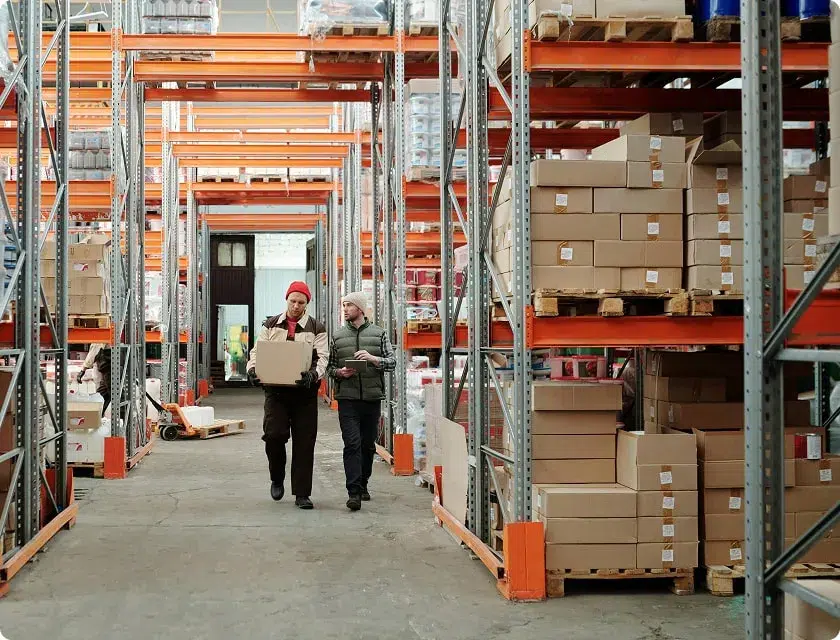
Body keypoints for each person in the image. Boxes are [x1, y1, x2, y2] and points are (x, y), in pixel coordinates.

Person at [246, 282, 328, 510]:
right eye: (293, 301)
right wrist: (252, 370)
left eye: (301, 302)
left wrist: (313, 375)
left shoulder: (316, 327)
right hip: (276, 392)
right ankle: (277, 477)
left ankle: (302, 494)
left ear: (307, 304)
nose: (296, 306)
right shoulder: (271, 324)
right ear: (287, 300)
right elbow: (257, 351)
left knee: (304, 443)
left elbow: (322, 357)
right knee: (273, 436)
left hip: (304, 394)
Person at [326, 291, 396, 512]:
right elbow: (329, 368)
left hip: (371, 399)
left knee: (367, 445)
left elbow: (392, 362)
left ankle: (364, 482)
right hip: (347, 399)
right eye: (343, 305)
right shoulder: (338, 337)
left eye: (349, 305)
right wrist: (340, 372)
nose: (345, 309)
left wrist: (373, 359)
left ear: (360, 308)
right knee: (352, 444)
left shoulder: (379, 334)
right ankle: (353, 492)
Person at [76, 343, 111, 417]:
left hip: (106, 366)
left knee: (108, 393)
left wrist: (83, 369)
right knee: (103, 394)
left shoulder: (101, 337)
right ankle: (94, 417)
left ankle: (94, 416)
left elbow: (95, 350)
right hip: (108, 366)